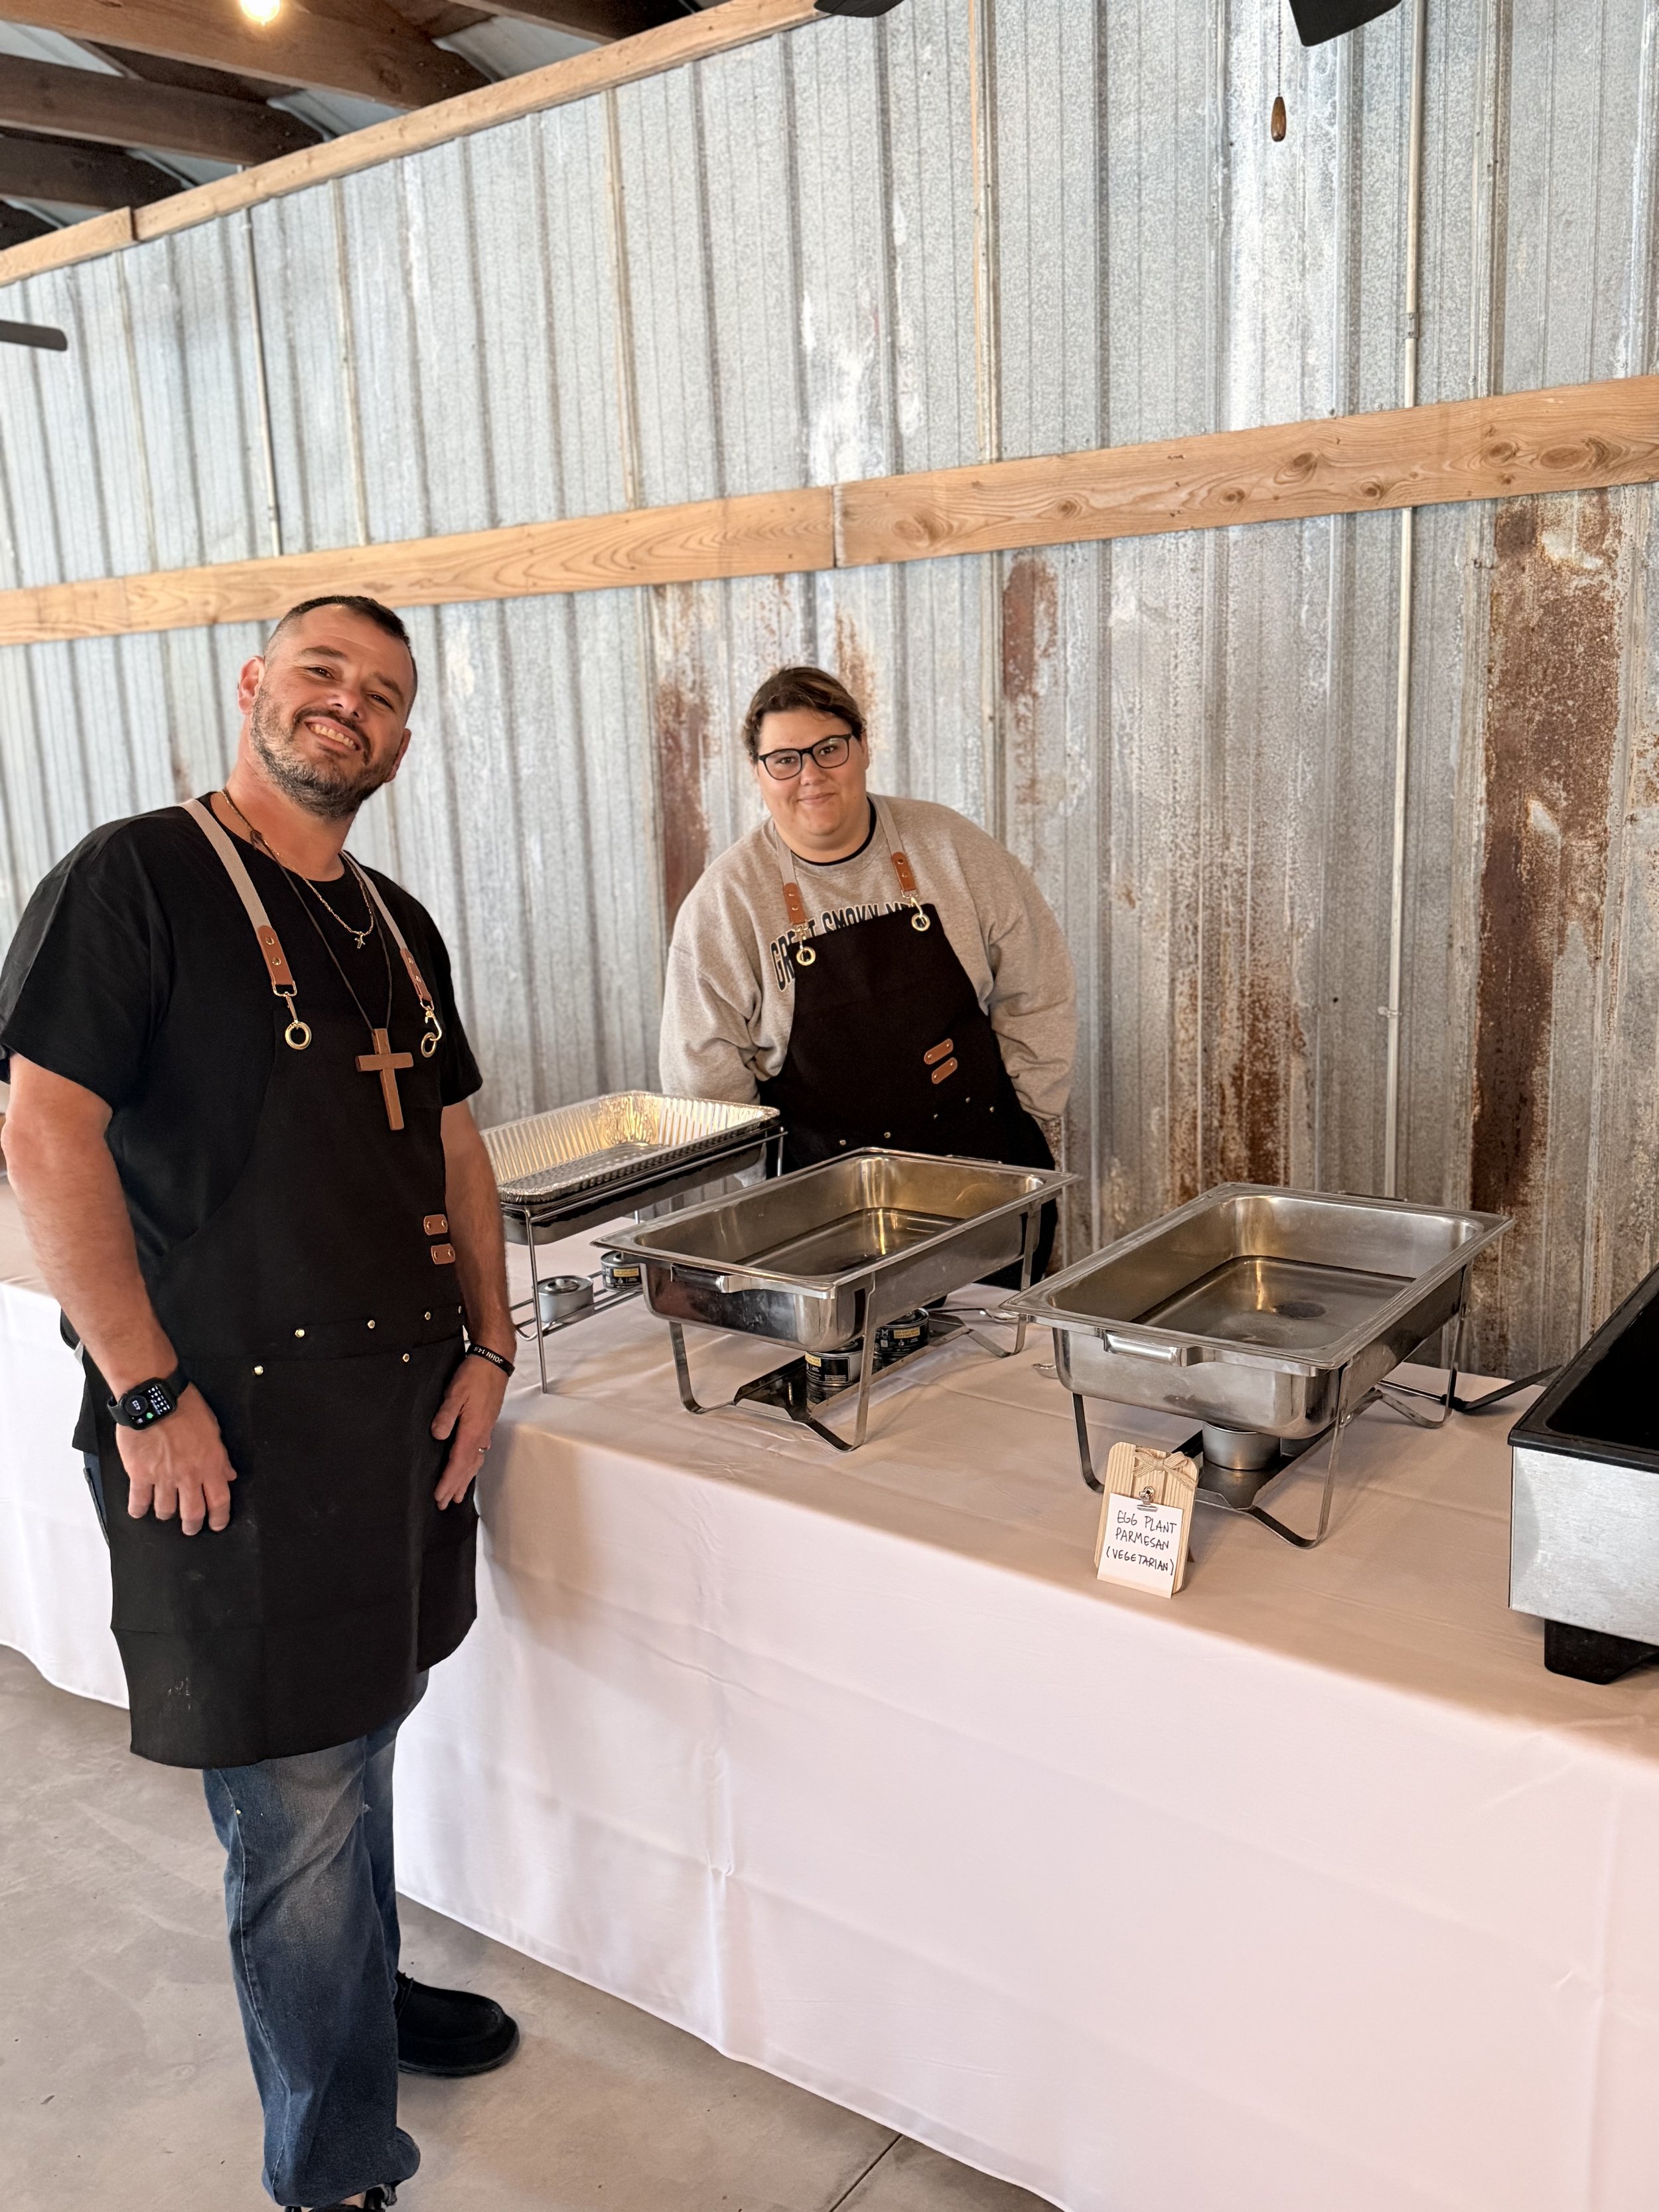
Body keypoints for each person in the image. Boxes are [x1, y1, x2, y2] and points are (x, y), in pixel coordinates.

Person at [0, 596, 520, 2212]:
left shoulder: (396, 922)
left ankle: (359, 2003)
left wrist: (493, 1352)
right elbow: (43, 1133)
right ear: (253, 686)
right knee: (292, 1800)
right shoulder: (134, 879)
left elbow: (451, 1148)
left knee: (364, 1733)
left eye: (380, 693)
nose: (345, 707)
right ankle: (333, 2162)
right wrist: (145, 1388)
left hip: (400, 1413)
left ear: (403, 737)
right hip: (221, 1423)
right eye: (319, 673)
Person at [659, 664, 1076, 1274]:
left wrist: (1033, 1116)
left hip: (985, 1187)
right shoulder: (726, 905)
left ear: (862, 748)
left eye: (829, 749)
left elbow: (1038, 984)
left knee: (999, 1361)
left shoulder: (950, 847)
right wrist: (768, 1201)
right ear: (758, 773)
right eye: (785, 759)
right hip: (823, 1220)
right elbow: (703, 1084)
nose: (811, 776)